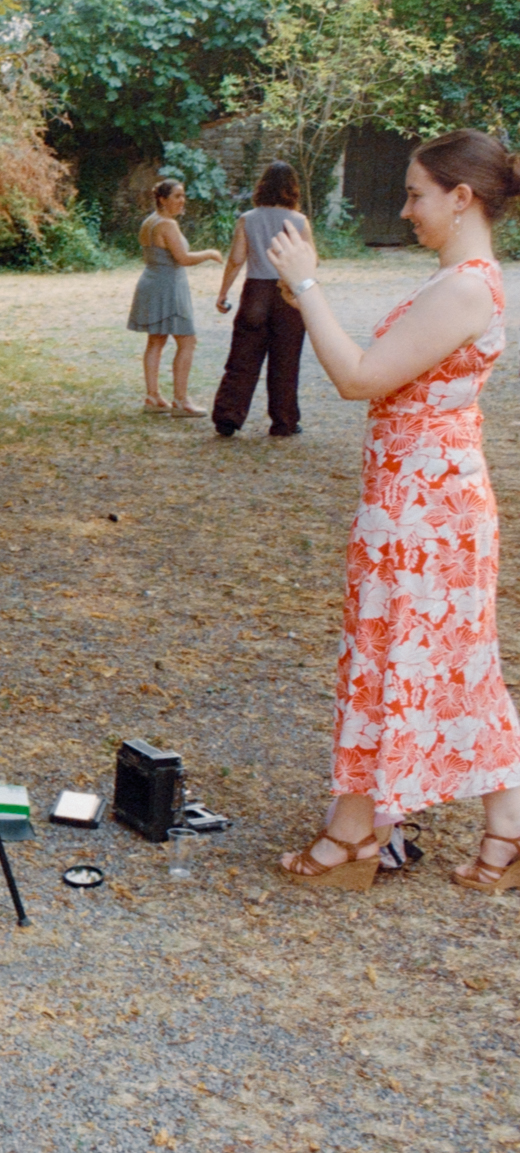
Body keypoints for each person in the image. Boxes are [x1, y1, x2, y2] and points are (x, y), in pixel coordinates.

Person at [265, 129, 520, 892]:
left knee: (401, 658)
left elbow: (360, 378)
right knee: (439, 660)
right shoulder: (456, 281)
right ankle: (498, 829)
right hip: (417, 502)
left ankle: (356, 834)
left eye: (416, 195)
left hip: (426, 513)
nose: (406, 210)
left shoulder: (465, 287)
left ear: (461, 197)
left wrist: (309, 285)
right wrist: (303, 293)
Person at [212, 162, 312, 437]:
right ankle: (284, 422)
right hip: (287, 292)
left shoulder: (248, 219)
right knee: (286, 362)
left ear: (262, 186)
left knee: (242, 359)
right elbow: (311, 259)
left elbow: (236, 259)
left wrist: (223, 292)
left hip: (255, 292)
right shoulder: (299, 221)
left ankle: (227, 416)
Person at [128, 179, 223, 416]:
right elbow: (184, 258)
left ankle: (153, 397)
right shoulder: (167, 224)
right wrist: (209, 253)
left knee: (156, 340)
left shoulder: (150, 221)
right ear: (163, 199)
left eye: (183, 195)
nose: (183, 200)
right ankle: (181, 401)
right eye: (177, 196)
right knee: (187, 341)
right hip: (168, 287)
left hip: (152, 283)